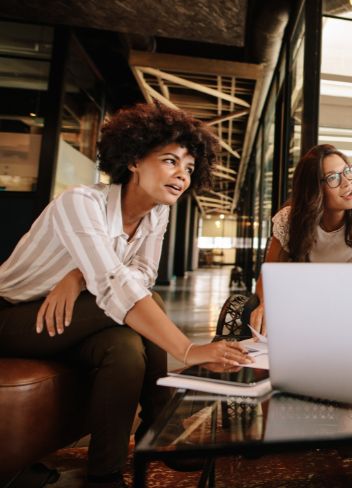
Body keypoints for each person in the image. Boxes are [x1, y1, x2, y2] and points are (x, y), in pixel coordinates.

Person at [0, 104, 252, 488]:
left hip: (71, 316)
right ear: (134, 159)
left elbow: (142, 274)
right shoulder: (81, 202)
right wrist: (187, 350)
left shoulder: (157, 214)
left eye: (188, 168)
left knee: (124, 348)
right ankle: (162, 424)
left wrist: (77, 277)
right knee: (152, 303)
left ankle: (105, 472)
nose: (181, 175)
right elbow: (117, 282)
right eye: (170, 161)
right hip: (13, 316)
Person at [249, 144, 352, 333]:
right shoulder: (289, 220)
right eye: (333, 178)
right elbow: (269, 275)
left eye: (347, 171)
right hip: (299, 307)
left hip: (347, 309)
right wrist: (266, 304)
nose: (347, 183)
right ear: (313, 189)